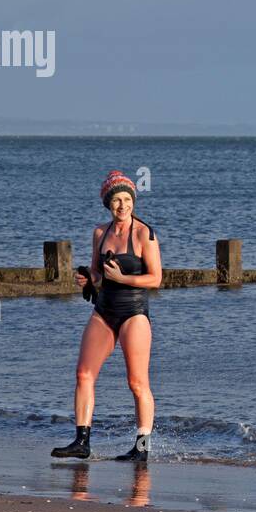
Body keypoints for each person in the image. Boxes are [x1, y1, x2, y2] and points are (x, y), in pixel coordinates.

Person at [52, 170, 162, 461]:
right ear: (108, 204)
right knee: (83, 373)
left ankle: (141, 449)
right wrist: (88, 280)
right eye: (117, 201)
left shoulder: (144, 233)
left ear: (133, 201)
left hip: (133, 313)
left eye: (127, 199)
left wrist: (124, 278)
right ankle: (82, 441)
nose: (122, 206)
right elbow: (98, 274)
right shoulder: (100, 233)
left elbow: (156, 279)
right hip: (104, 310)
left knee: (137, 382)